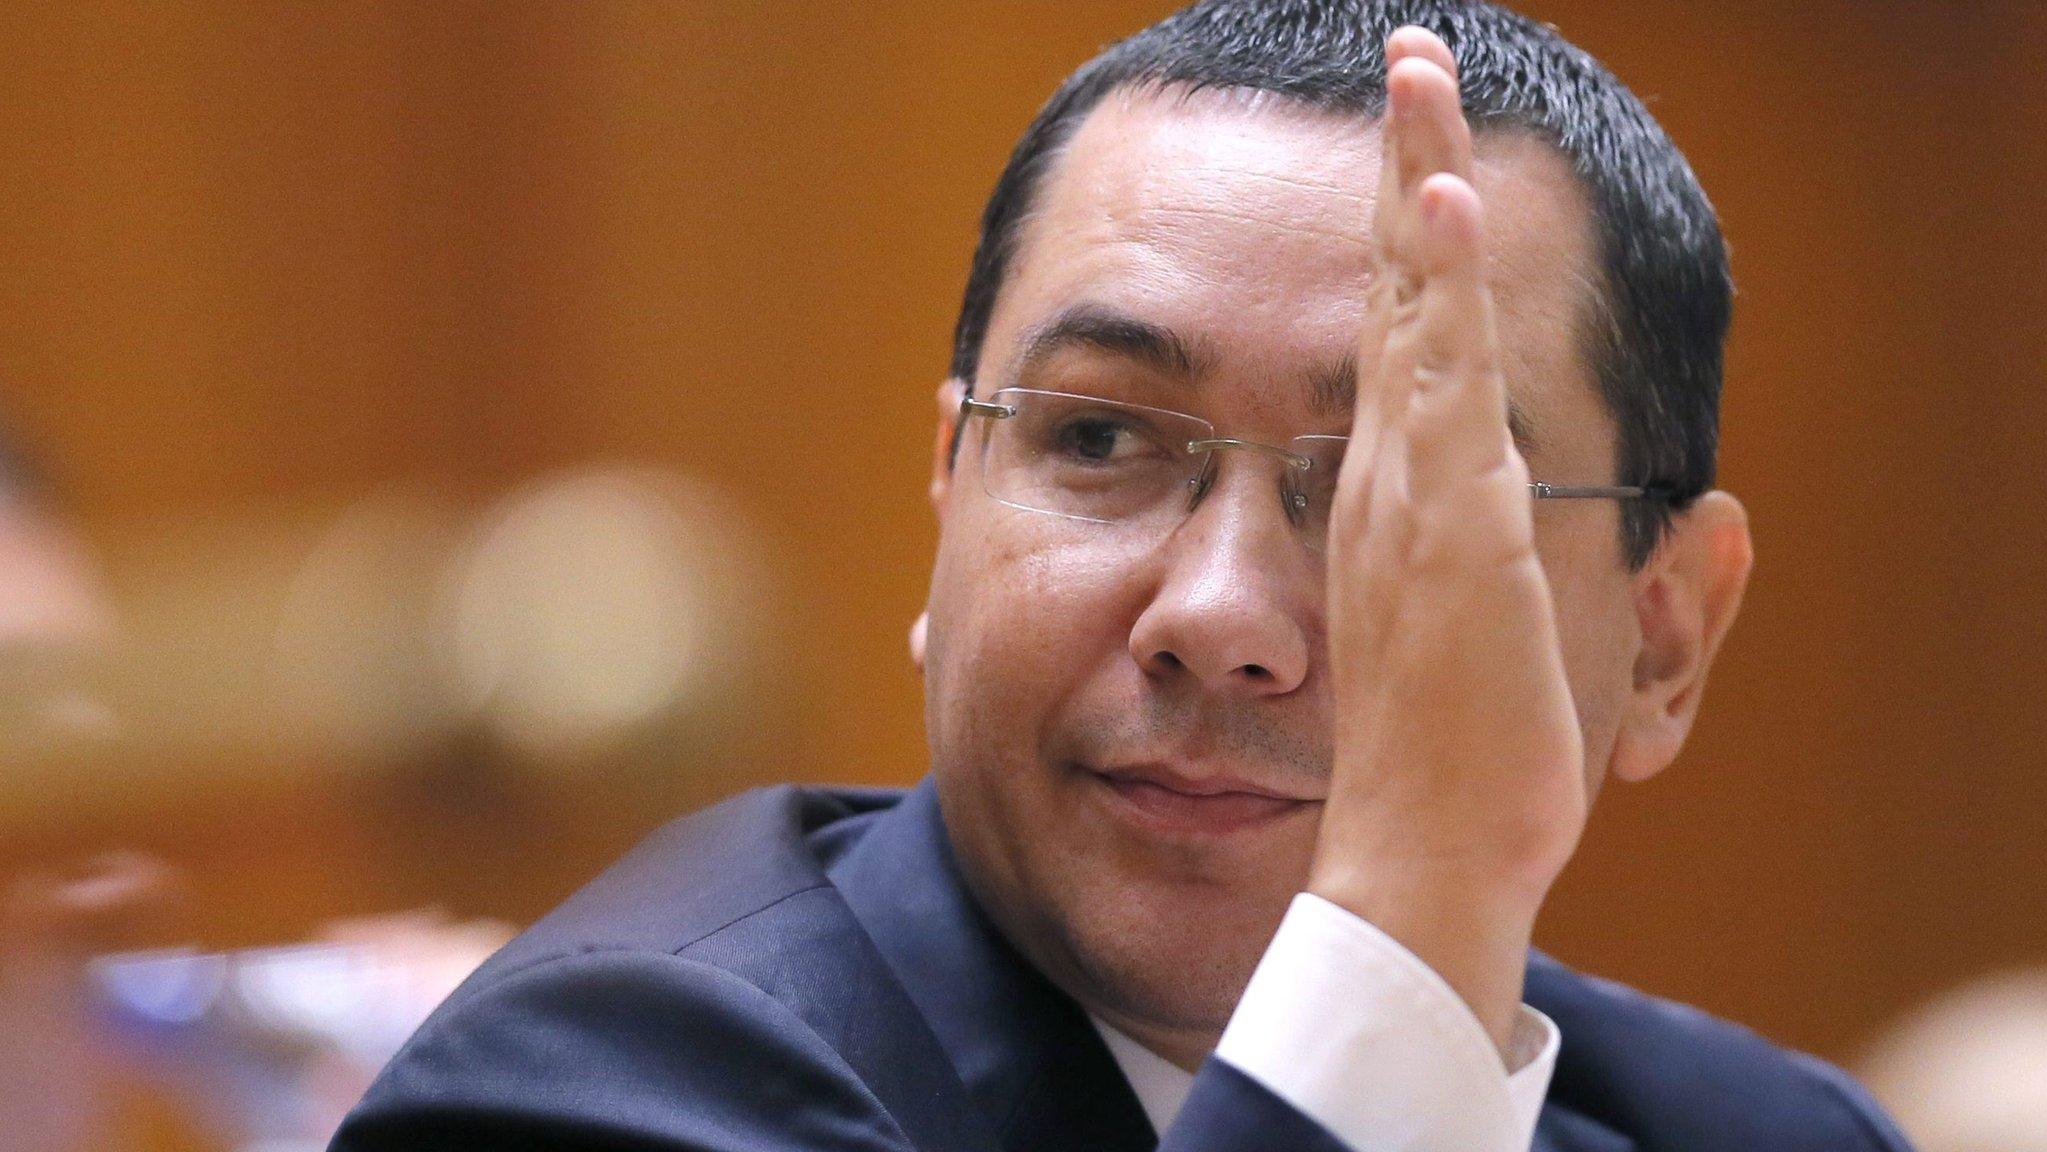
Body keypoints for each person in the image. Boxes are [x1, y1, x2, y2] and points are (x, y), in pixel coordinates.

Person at [332, 3, 1915, 1150]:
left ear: (1664, 636)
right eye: (1097, 438)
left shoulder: (1758, 1135)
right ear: (955, 491)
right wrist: (1410, 926)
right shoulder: (608, 1085)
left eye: (1384, 484)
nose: (1219, 613)